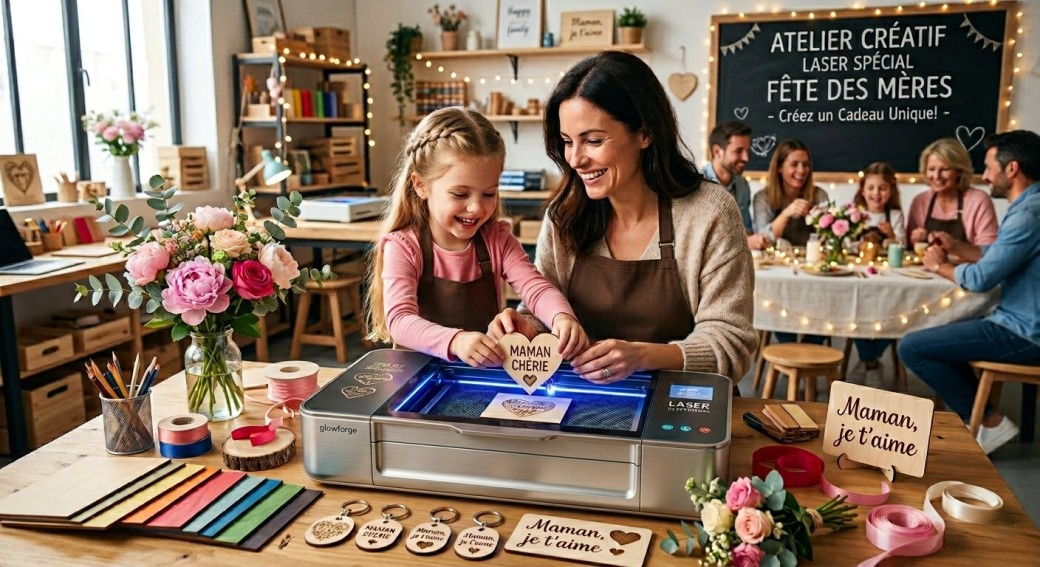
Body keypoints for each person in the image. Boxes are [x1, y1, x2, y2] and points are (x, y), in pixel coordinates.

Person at [488, 51, 757, 385]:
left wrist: (642, 357)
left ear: (644, 133)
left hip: (680, 406)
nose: (575, 159)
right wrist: (528, 328)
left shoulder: (710, 213)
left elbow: (731, 343)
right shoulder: (564, 216)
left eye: (594, 141)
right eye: (568, 142)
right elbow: (545, 312)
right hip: (583, 402)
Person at [364, 107, 589, 368]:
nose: (477, 208)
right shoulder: (404, 247)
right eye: (460, 194)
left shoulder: (497, 240)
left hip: (478, 376)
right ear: (420, 185)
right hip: (415, 377)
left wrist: (562, 317)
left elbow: (535, 288)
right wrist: (456, 341)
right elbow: (400, 321)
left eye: (488, 194)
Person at [899, 130, 1040, 455]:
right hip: (1018, 320)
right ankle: (981, 416)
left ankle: (989, 421)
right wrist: (959, 247)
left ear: (1012, 169)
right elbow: (999, 257)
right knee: (940, 338)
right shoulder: (1030, 207)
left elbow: (980, 279)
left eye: (990, 167)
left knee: (913, 347)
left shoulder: (1027, 216)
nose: (986, 175)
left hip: (1024, 331)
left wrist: (939, 266)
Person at [852, 162, 905, 370]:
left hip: (887, 275)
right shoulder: (855, 214)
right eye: (871, 188)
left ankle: (870, 357)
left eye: (882, 188)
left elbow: (902, 246)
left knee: (894, 313)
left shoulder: (895, 215)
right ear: (863, 191)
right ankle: (870, 359)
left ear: (891, 191)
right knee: (856, 312)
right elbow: (846, 242)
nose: (876, 193)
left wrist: (891, 235)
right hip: (860, 273)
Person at [906, 137, 999, 247]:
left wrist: (954, 247)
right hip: (928, 264)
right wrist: (915, 239)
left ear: (959, 171)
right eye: (931, 169)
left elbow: (988, 252)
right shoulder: (920, 201)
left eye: (945, 169)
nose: (936, 176)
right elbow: (908, 247)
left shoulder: (978, 200)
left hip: (967, 264)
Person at [702, 121, 769, 250]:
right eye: (738, 151)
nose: (746, 158)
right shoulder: (696, 183)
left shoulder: (742, 185)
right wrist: (742, 243)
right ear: (717, 151)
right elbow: (699, 240)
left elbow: (745, 230)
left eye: (747, 151)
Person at [752, 139, 830, 247]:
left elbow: (827, 237)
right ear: (780, 167)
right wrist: (786, 213)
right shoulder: (763, 197)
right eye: (794, 164)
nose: (801, 170)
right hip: (773, 262)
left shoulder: (819, 194)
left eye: (806, 165)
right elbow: (763, 240)